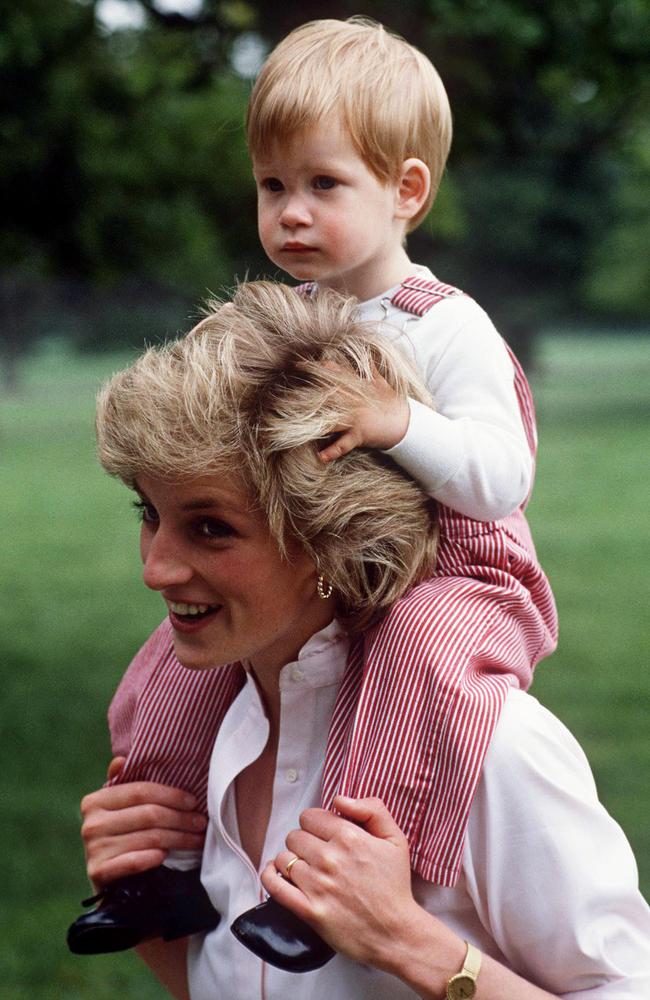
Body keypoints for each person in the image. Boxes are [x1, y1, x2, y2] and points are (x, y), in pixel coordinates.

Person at [67, 16, 559, 963]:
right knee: (166, 671)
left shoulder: (442, 322)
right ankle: (155, 870)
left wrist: (395, 424)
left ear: (405, 189)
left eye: (322, 185)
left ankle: (328, 879)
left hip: (457, 575)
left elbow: (502, 479)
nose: (290, 212)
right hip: (320, 564)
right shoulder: (288, 312)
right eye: (272, 186)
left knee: (417, 657)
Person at [76, 282, 650, 999]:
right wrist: (147, 907)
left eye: (211, 528)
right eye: (148, 512)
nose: (155, 567)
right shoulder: (209, 735)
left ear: (332, 541)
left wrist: (411, 944)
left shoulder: (490, 749)